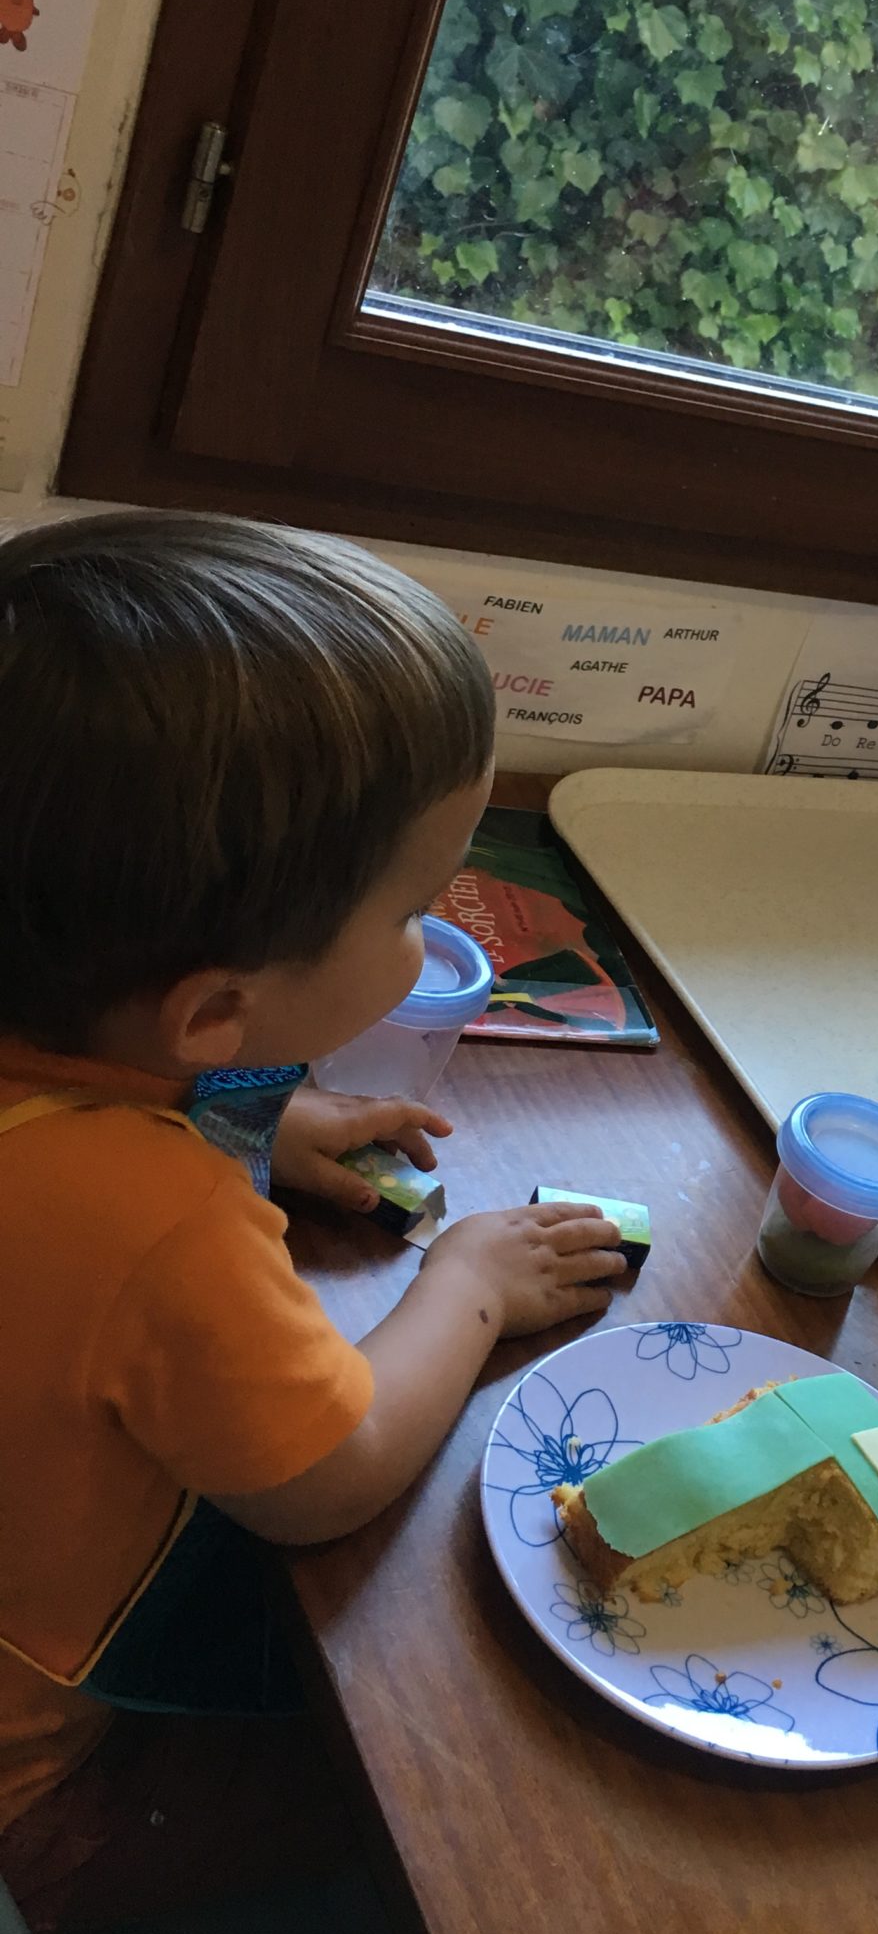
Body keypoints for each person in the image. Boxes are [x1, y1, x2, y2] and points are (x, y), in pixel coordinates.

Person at [0, 513, 628, 1838]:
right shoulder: (161, 1221)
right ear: (213, 1013)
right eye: (411, 911)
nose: (432, 928)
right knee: (420, 1769)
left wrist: (251, 1118)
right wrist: (467, 1284)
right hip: (34, 1735)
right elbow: (328, 1477)